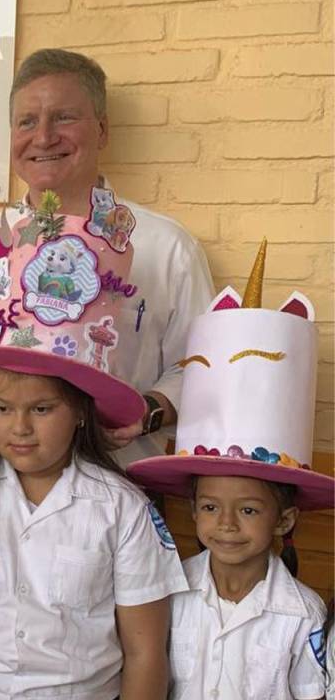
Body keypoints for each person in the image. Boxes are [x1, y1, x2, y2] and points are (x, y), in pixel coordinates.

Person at [0, 200, 187, 699]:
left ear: (80, 411)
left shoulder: (122, 507)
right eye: (3, 408)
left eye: (41, 410)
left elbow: (145, 650)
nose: (20, 429)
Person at [0, 48, 214, 467]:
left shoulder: (167, 246)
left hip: (122, 485)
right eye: (27, 122)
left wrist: (149, 410)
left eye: (64, 117)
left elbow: (198, 365)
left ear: (103, 130)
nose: (44, 136)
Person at [128, 244, 332, 700]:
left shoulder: (303, 615)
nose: (225, 525)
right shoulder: (169, 591)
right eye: (209, 506)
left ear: (284, 519)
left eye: (248, 510)